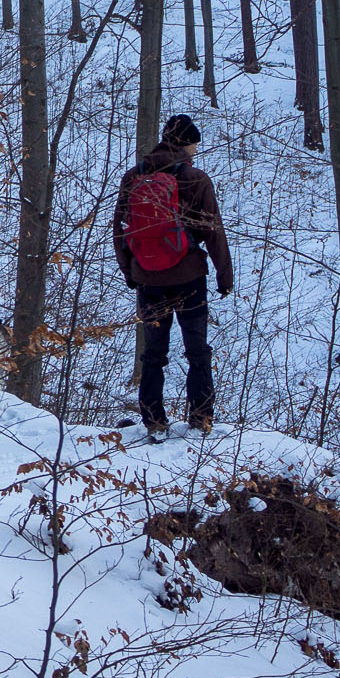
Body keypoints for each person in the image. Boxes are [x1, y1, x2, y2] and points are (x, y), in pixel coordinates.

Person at [113, 114, 233, 442]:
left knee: (153, 353)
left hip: (148, 278)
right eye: (195, 143)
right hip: (189, 276)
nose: (197, 149)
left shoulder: (133, 177)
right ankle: (201, 417)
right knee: (197, 349)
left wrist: (130, 271)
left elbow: (120, 231)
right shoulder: (195, 178)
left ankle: (154, 421)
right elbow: (213, 231)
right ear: (186, 143)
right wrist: (224, 274)